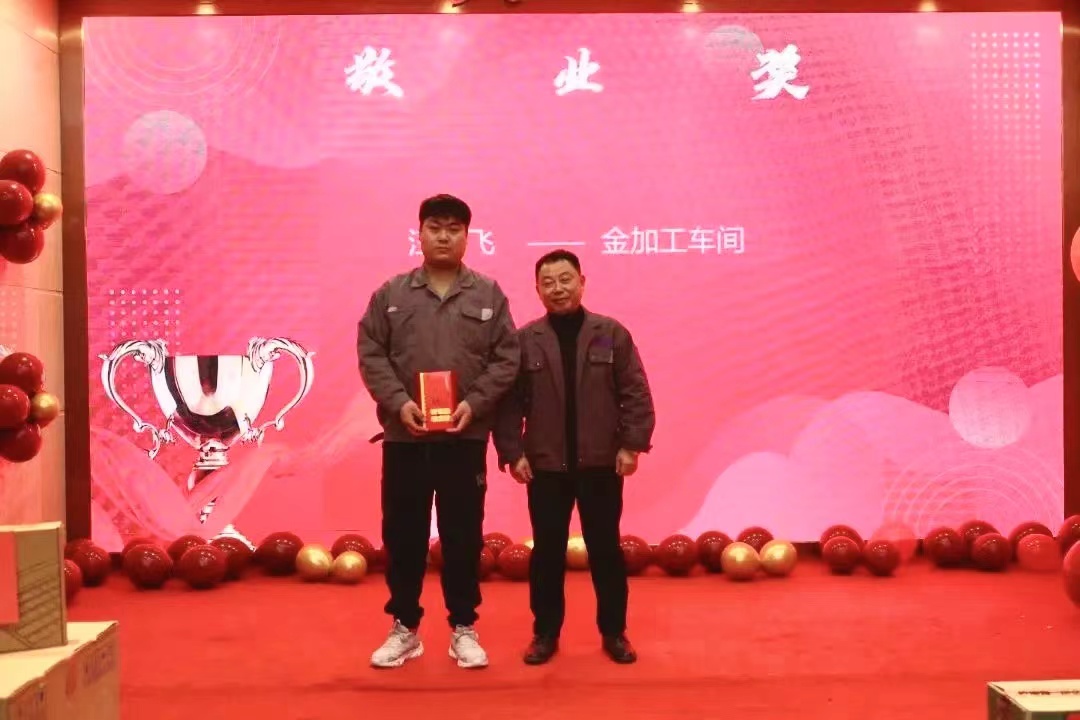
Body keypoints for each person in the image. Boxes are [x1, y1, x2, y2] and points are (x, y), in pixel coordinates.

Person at [357, 194, 520, 669]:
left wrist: (475, 403)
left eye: (453, 229)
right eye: (435, 227)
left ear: (467, 236)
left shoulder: (488, 295)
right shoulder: (392, 294)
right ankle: (404, 627)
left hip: (464, 439)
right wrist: (399, 402)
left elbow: (506, 358)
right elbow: (371, 352)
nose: (444, 236)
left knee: (463, 536)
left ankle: (463, 627)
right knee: (403, 535)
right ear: (420, 234)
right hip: (405, 438)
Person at [494, 249, 656, 665]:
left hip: (601, 463)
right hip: (545, 466)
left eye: (565, 279)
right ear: (537, 290)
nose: (557, 289)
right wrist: (513, 452)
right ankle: (545, 633)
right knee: (546, 554)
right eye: (547, 283)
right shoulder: (525, 340)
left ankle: (614, 632)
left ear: (582, 282)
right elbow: (509, 404)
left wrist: (632, 445)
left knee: (605, 550)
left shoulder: (611, 333)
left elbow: (635, 392)